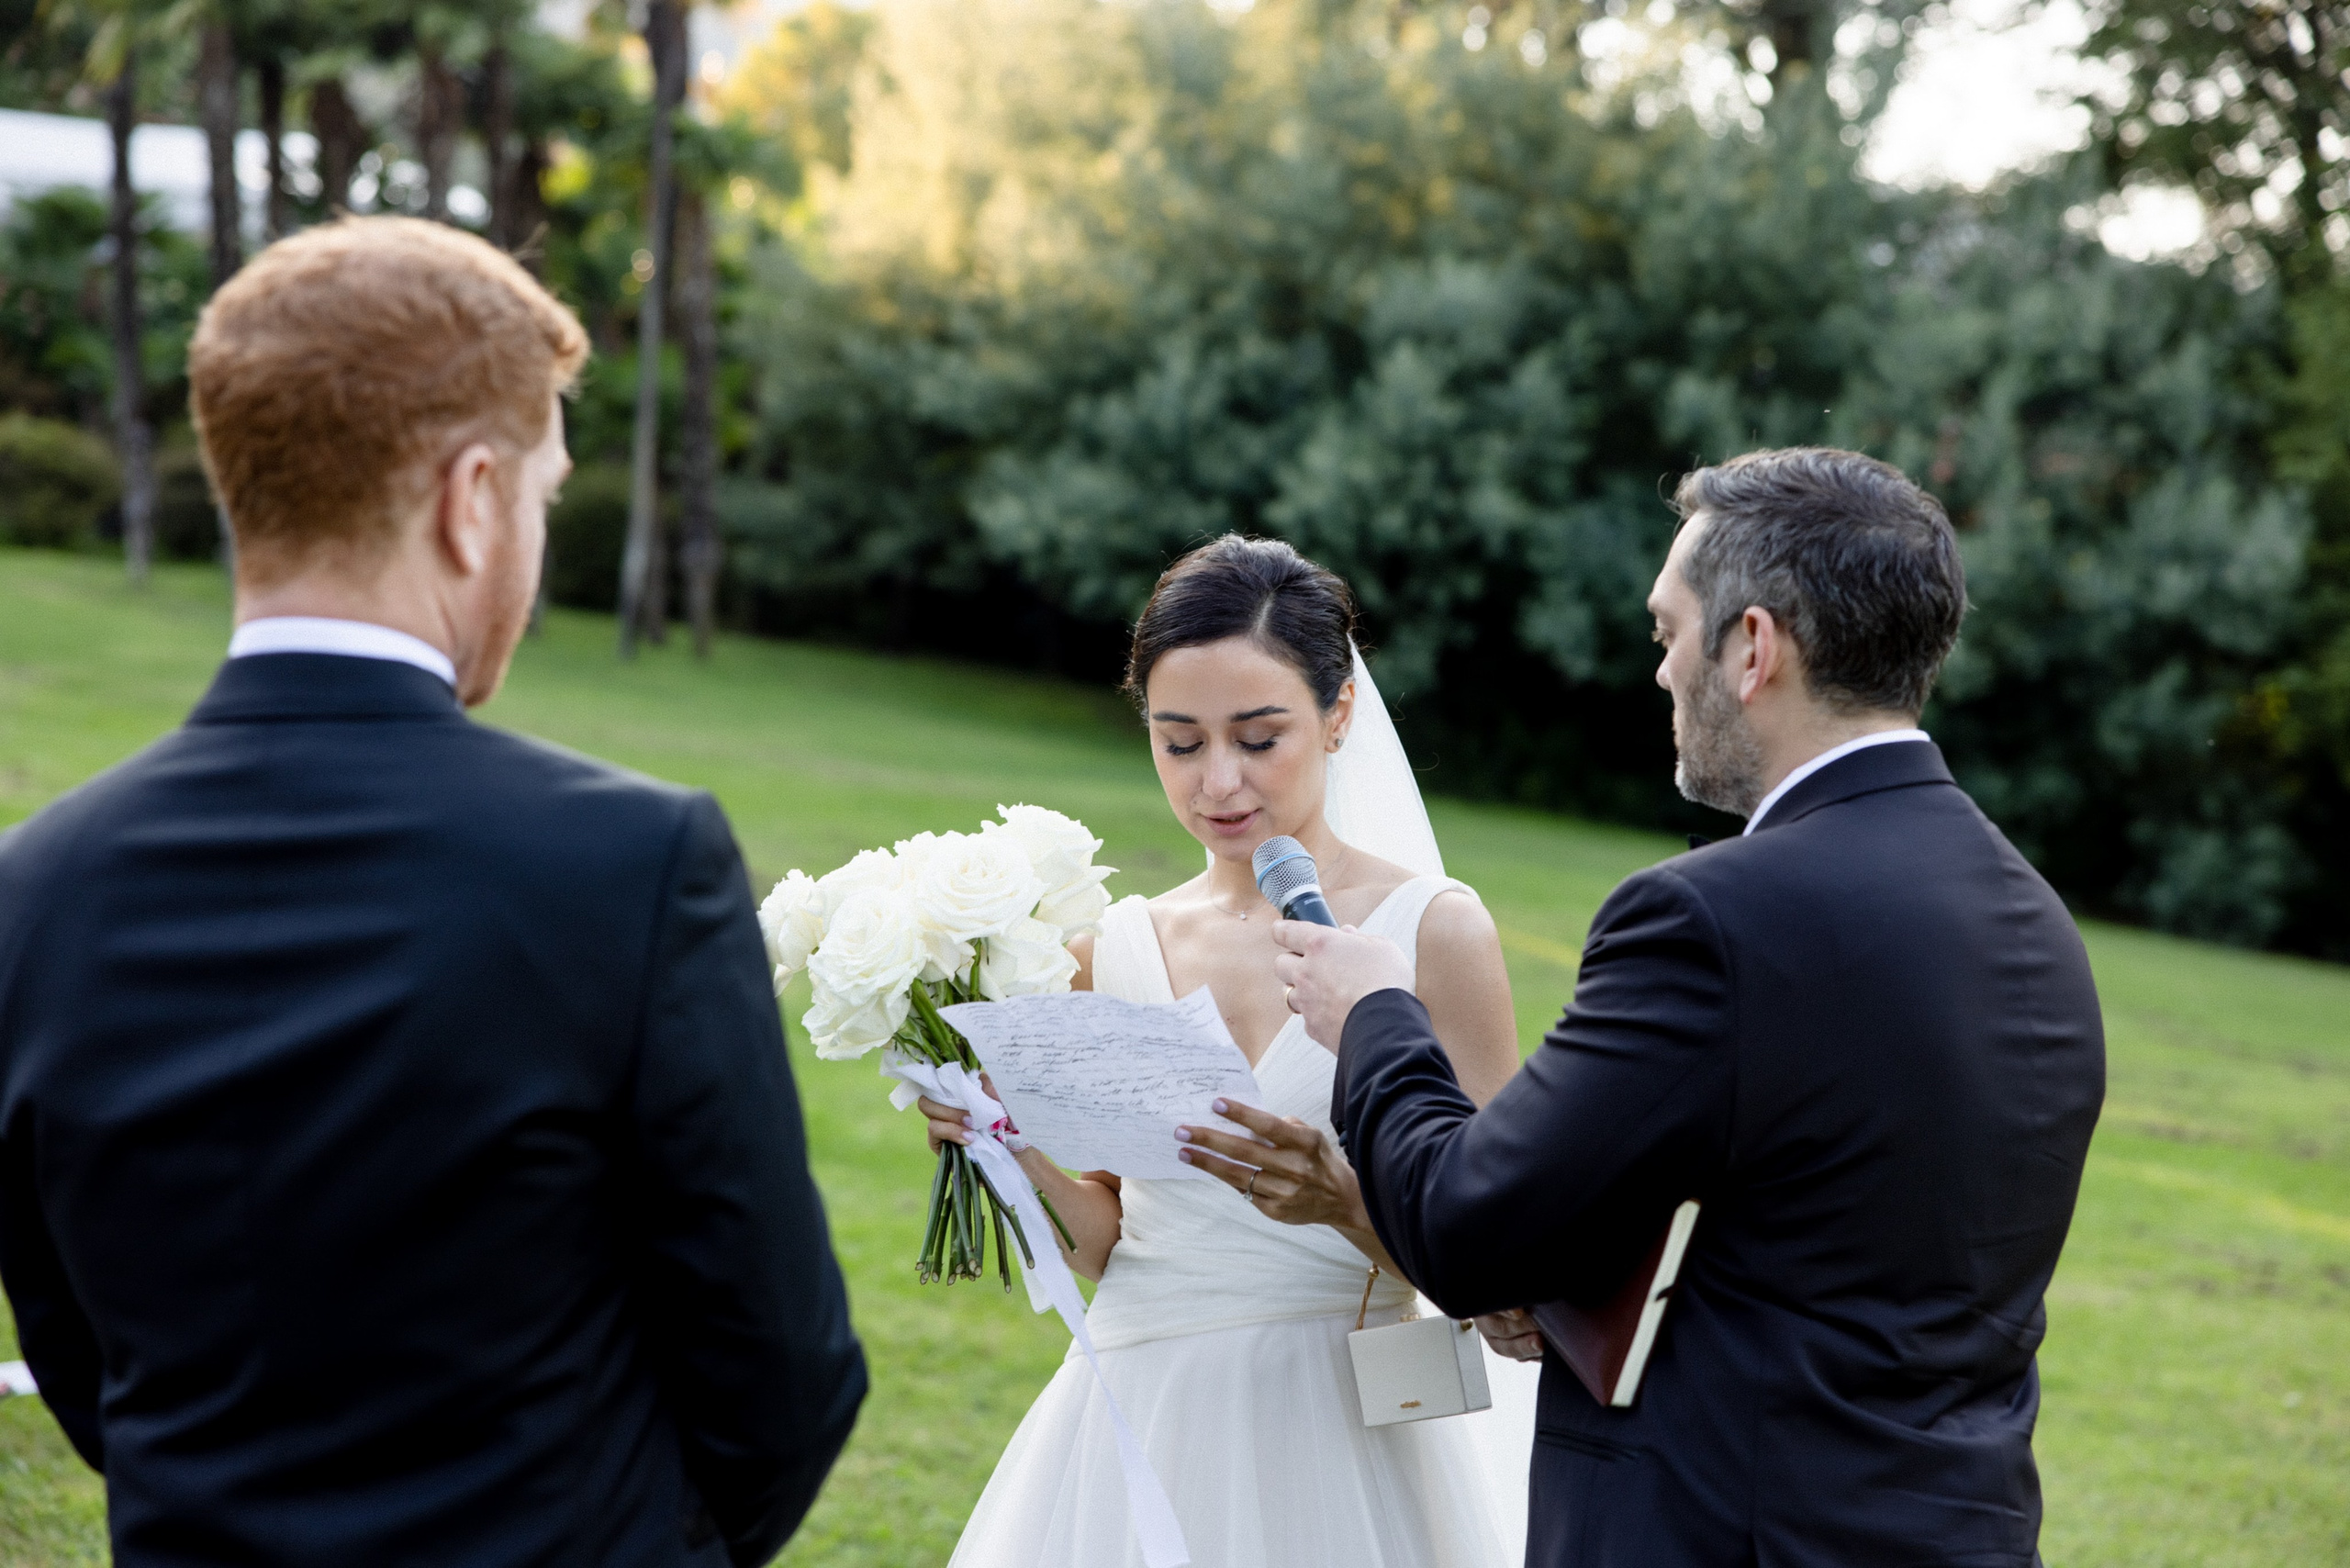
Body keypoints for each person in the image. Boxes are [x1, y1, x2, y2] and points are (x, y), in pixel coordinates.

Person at [0, 218, 866, 1567]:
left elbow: (76, 1353)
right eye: (544, 496)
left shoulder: (31, 890)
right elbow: (783, 1373)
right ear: (472, 501)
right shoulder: (633, 867)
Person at [1276, 447, 2107, 1567]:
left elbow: (1468, 1229)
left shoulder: (1710, 920)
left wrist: (1376, 1009)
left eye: (1669, 632)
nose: (1661, 670)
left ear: (1752, 647)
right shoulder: (2033, 919)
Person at [916, 534, 1539, 1568]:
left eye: (1258, 738)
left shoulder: (1433, 930)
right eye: (1179, 742)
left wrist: (1343, 1199)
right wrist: (1004, 1146)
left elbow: (1505, 1267)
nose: (1217, 783)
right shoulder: (1108, 948)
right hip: (1138, 1423)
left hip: (1343, 1429)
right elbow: (1109, 1242)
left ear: (1338, 714)